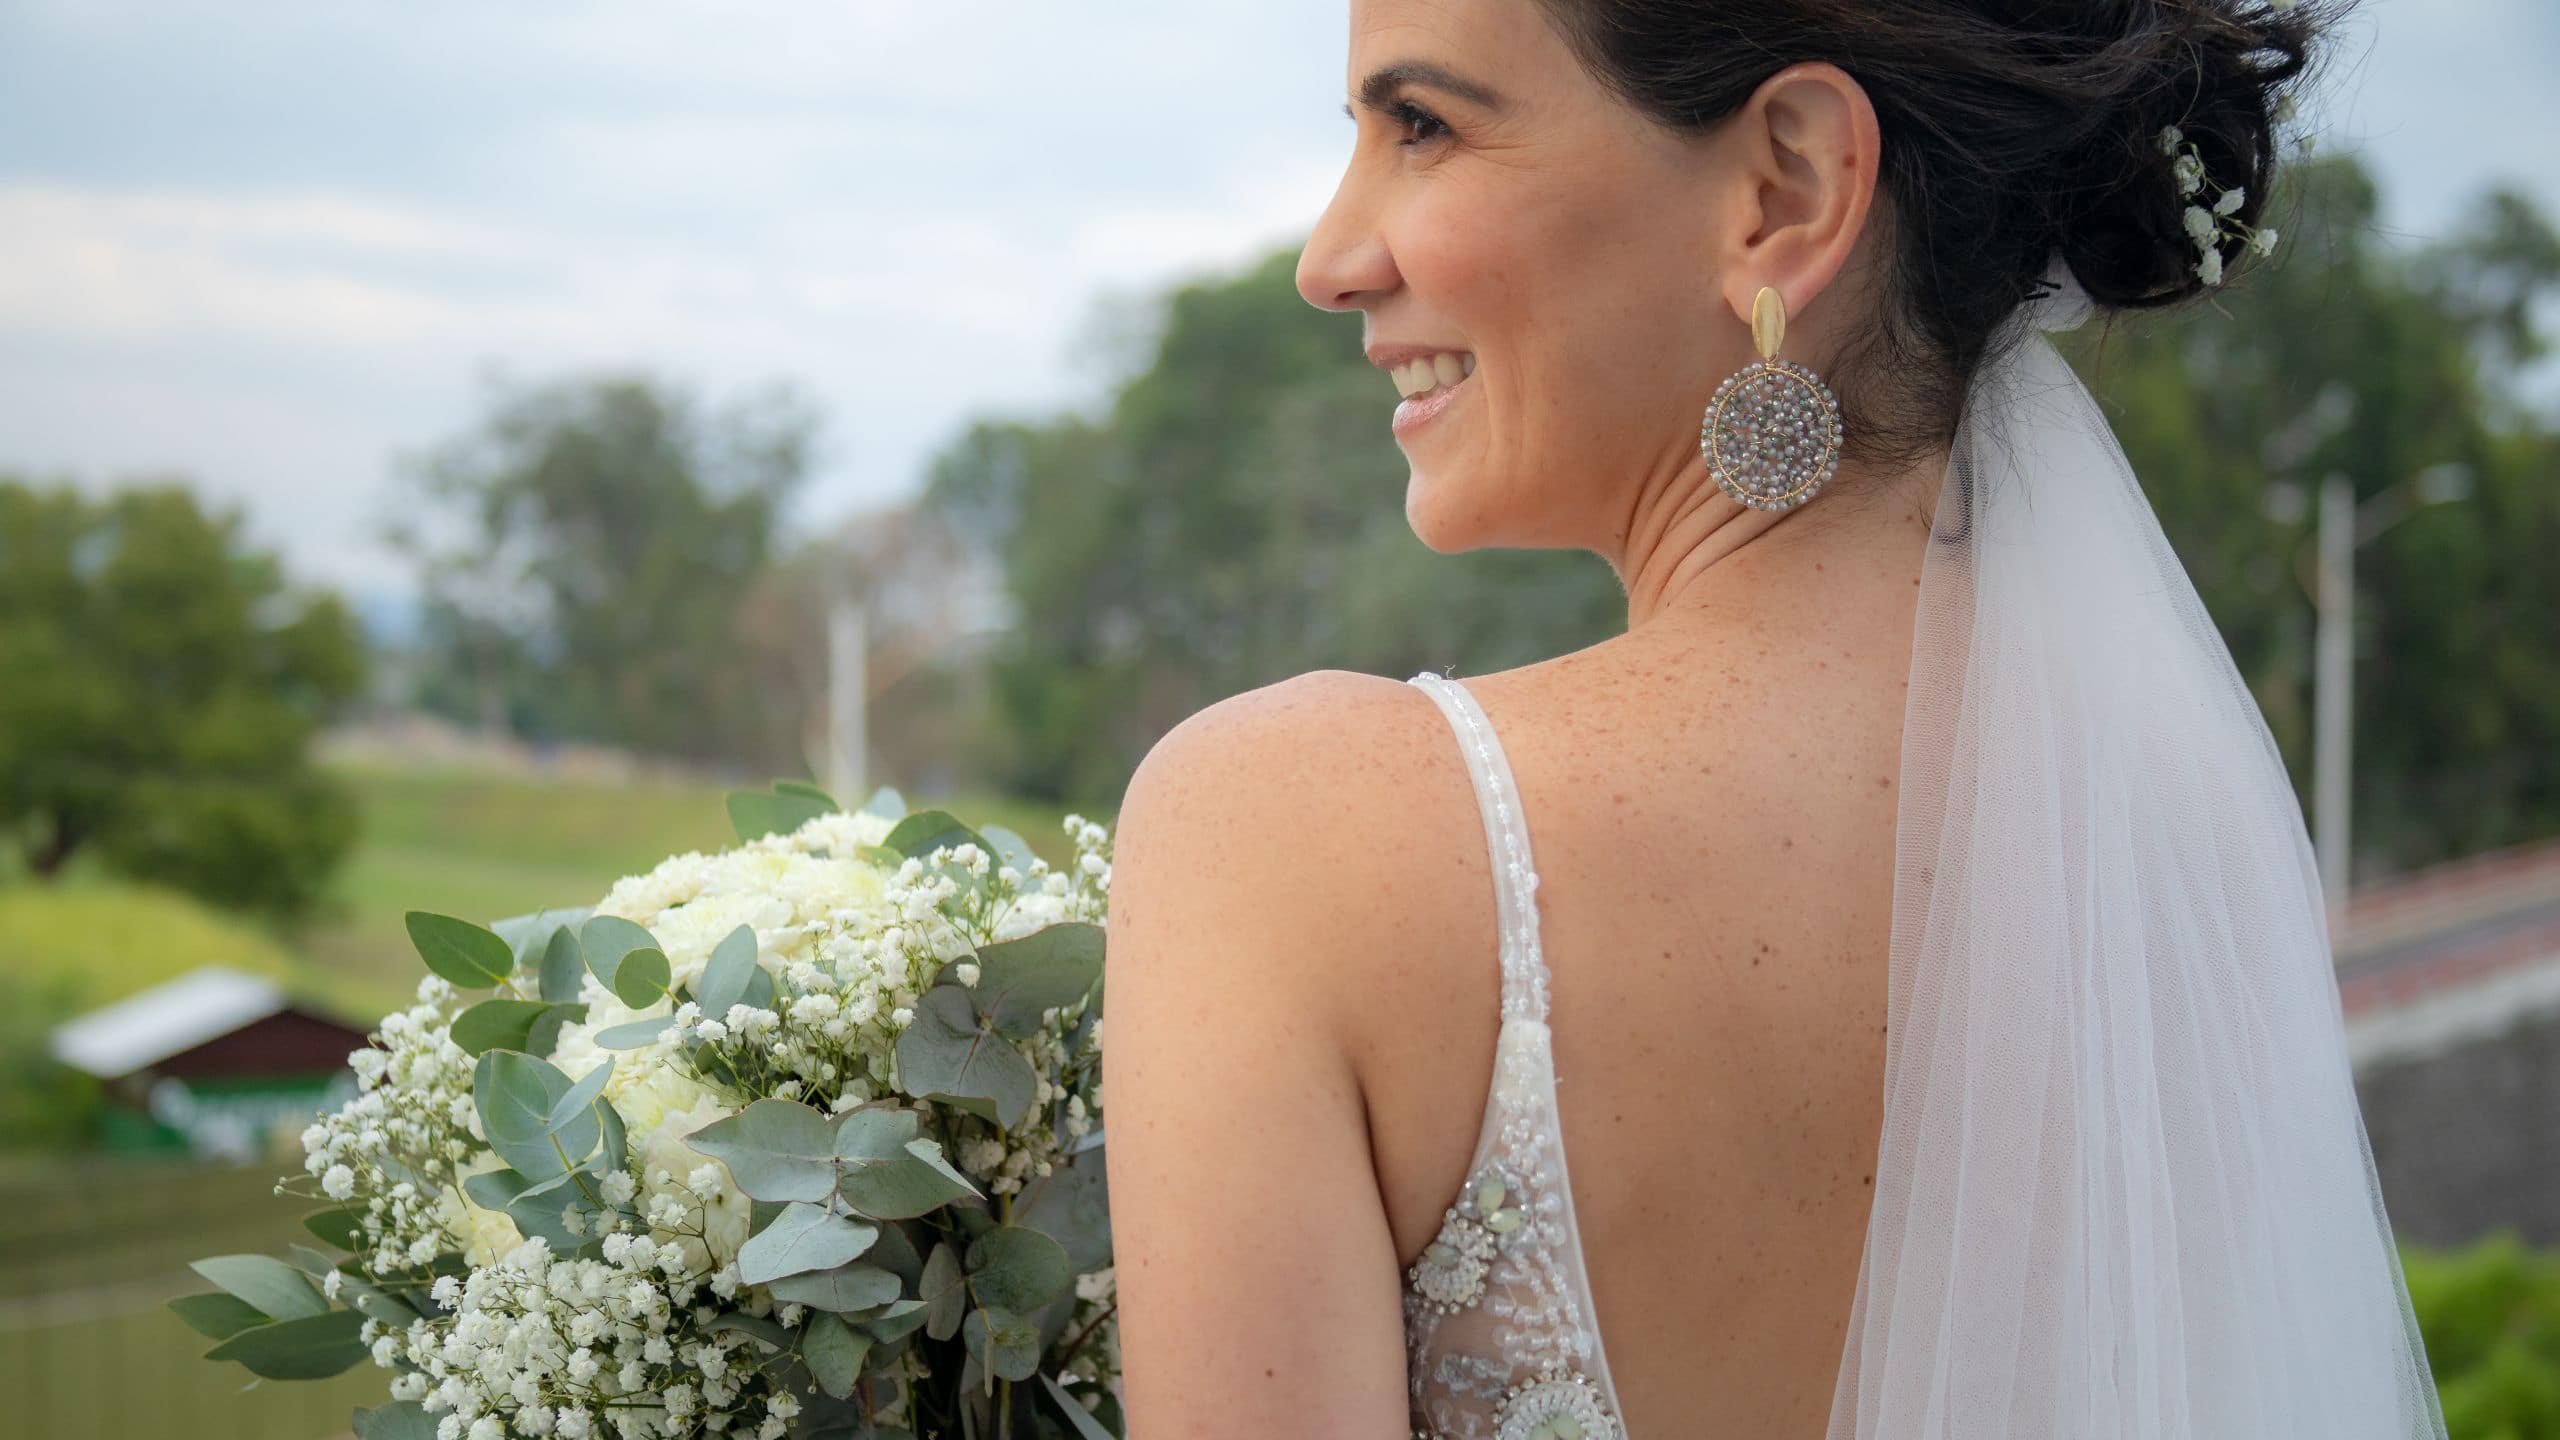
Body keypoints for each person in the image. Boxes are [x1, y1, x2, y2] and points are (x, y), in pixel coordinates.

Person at [1102, 1, 2447, 1436]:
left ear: (1785, 191)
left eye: (1422, 124)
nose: (1330, 260)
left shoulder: (1293, 842)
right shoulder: (2186, 839)